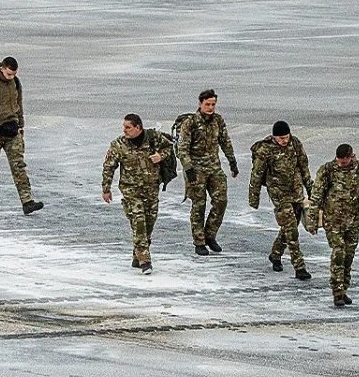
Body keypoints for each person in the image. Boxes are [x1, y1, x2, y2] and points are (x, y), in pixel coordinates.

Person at [307, 144, 359, 307]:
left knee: (348, 257)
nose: (341, 164)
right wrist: (312, 221)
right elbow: (316, 196)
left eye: (344, 162)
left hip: (352, 221)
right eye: (339, 161)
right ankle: (337, 292)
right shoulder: (327, 170)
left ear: (351, 157)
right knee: (338, 253)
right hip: (333, 221)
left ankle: (343, 288)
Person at [102, 114, 173, 275]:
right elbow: (108, 167)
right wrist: (106, 189)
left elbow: (169, 147)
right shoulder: (118, 145)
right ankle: (145, 260)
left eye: (128, 127)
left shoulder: (154, 138)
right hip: (130, 190)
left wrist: (160, 156)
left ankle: (137, 253)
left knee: (149, 223)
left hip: (151, 189)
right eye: (124, 127)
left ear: (138, 128)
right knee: (139, 221)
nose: (124, 130)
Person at [0, 57, 43, 215]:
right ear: (2, 69)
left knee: (19, 166)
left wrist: (21, 126)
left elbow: (19, 105)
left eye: (14, 74)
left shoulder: (16, 83)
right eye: (9, 74)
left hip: (12, 131)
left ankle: (27, 201)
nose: (11, 77)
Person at [248, 121, 313, 280]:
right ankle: (299, 266)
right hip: (279, 193)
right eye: (281, 138)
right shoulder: (266, 150)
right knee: (291, 230)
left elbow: (304, 167)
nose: (284, 140)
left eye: (286, 137)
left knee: (290, 226)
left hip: (296, 191)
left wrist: (312, 190)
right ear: (274, 137)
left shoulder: (295, 143)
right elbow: (256, 174)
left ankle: (275, 254)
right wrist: (253, 197)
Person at [176, 89, 238, 256]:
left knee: (221, 201)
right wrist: (188, 169)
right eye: (207, 104)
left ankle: (210, 235)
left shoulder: (217, 120)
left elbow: (225, 141)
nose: (210, 107)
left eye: (213, 104)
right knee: (199, 205)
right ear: (200, 104)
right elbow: (182, 148)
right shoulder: (190, 123)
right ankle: (199, 241)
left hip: (214, 167)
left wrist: (232, 161)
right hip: (196, 169)